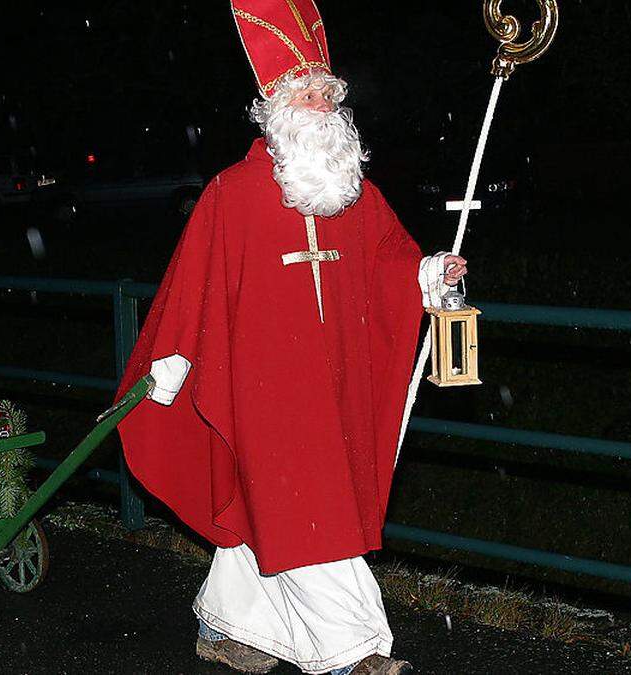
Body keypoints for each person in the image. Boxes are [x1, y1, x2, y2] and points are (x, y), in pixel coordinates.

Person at [114, 2, 466, 673]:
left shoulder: (350, 194)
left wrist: (429, 272)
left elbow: (390, 264)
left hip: (333, 389)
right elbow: (196, 285)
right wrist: (173, 359)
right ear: (273, 104)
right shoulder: (234, 193)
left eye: (326, 94)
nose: (318, 104)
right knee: (308, 515)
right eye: (304, 93)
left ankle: (227, 624)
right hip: (263, 394)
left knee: (267, 507)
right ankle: (354, 653)